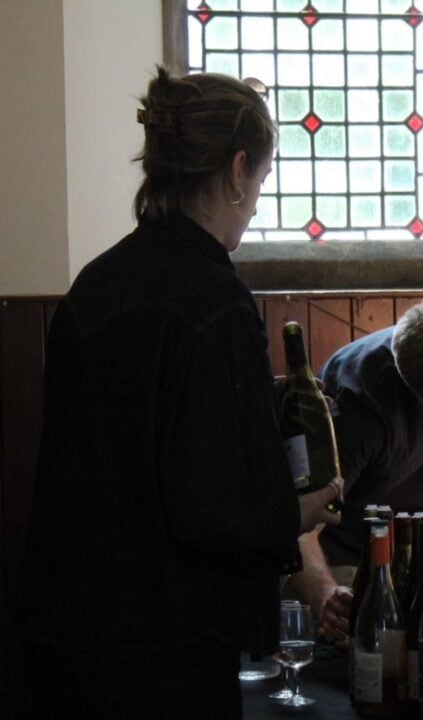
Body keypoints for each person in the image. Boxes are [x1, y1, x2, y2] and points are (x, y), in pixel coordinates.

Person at [15, 67, 342, 719]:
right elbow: (212, 503)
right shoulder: (213, 302)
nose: (253, 203)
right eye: (259, 183)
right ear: (237, 169)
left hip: (67, 627)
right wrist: (293, 519)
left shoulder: (96, 285)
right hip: (164, 646)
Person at [288, 293, 423, 644]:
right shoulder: (361, 406)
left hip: (408, 555)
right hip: (334, 562)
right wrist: (324, 595)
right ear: (409, 388)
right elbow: (296, 525)